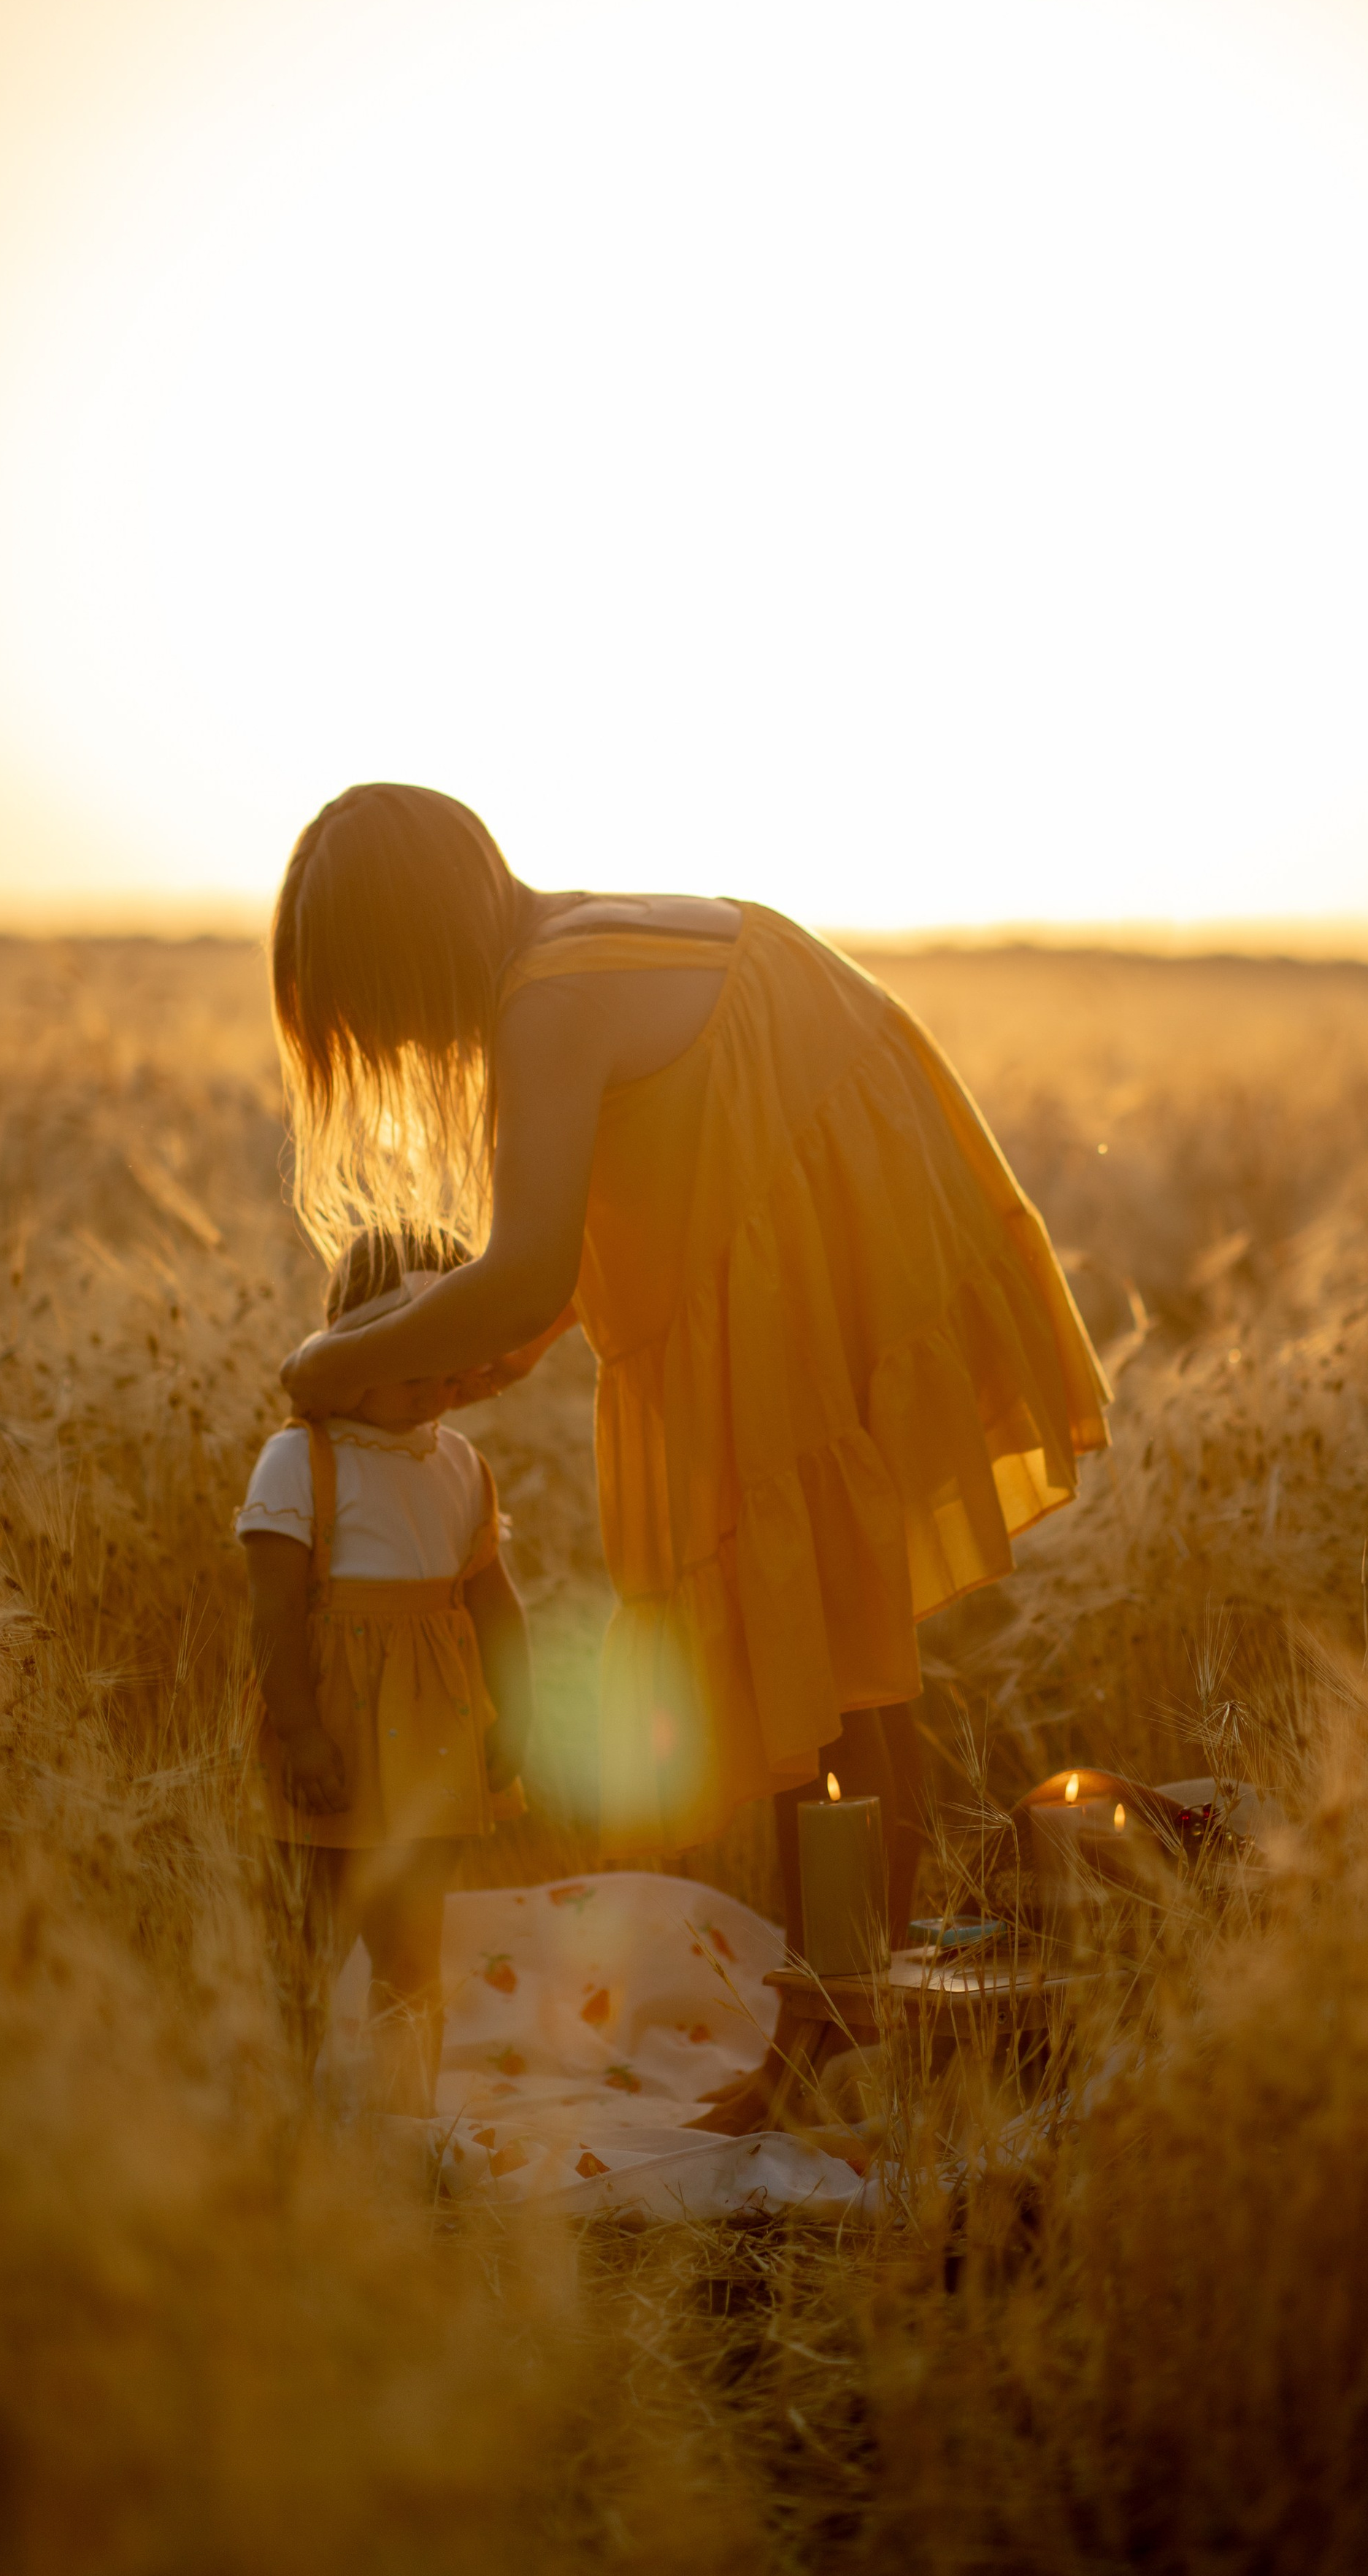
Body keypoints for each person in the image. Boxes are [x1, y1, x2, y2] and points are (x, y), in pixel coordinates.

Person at [272, 783, 1110, 1952]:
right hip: (839, 1227)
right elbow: (646, 1189)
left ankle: (838, 2001)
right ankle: (851, 1982)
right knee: (831, 1658)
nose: (412, 1048)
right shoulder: (578, 942)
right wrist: (530, 1337)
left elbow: (521, 1271)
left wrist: (333, 1364)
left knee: (805, 1658)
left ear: (413, 953)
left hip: (800, 1260)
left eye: (392, 1018)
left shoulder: (547, 1001)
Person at [239, 1220, 534, 2110]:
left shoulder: (460, 1464)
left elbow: (493, 1603)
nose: (433, 1386)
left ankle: (406, 2121)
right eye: (409, 1363)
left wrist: (512, 1713)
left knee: (411, 1947)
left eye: (447, 1364)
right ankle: (281, 2116)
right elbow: (275, 1614)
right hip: (331, 1738)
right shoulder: (303, 1461)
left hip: (434, 1747)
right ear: (347, 1356)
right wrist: (299, 1734)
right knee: (304, 1937)